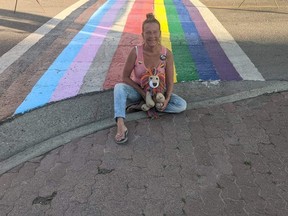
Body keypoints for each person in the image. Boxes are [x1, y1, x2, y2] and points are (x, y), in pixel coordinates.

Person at [113, 13, 187, 144]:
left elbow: (169, 81)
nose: (152, 36)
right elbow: (125, 77)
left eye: (155, 32)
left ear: (160, 33)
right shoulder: (135, 52)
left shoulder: (166, 54)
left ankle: (146, 106)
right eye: (148, 33)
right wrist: (142, 93)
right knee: (119, 88)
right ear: (142, 35)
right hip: (138, 91)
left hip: (159, 93)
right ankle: (120, 124)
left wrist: (167, 99)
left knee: (181, 105)